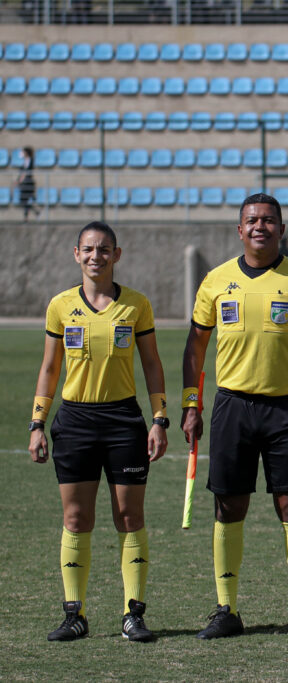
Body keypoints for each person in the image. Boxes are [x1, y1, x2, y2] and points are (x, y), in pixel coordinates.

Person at [181, 193, 288, 641]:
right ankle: (226, 609)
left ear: (281, 229)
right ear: (239, 230)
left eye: (269, 220)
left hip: (287, 408)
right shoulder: (215, 280)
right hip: (232, 406)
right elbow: (194, 349)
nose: (260, 227)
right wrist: (189, 405)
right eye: (251, 220)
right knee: (229, 505)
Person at [29, 221, 168, 643]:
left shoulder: (136, 305)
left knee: (130, 517)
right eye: (88, 249)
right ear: (76, 254)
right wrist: (38, 422)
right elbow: (51, 368)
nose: (96, 257)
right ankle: (75, 615)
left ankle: (134, 615)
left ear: (117, 255)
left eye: (104, 250)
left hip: (124, 421)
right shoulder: (60, 306)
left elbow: (151, 364)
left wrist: (159, 418)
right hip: (74, 422)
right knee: (76, 518)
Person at [17, 146, 40, 220]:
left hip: (28, 182)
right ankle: (36, 212)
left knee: (26, 199)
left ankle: (26, 217)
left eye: (23, 152)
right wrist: (19, 180)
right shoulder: (24, 161)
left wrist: (21, 179)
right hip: (24, 183)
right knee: (24, 200)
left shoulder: (31, 160)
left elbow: (27, 171)